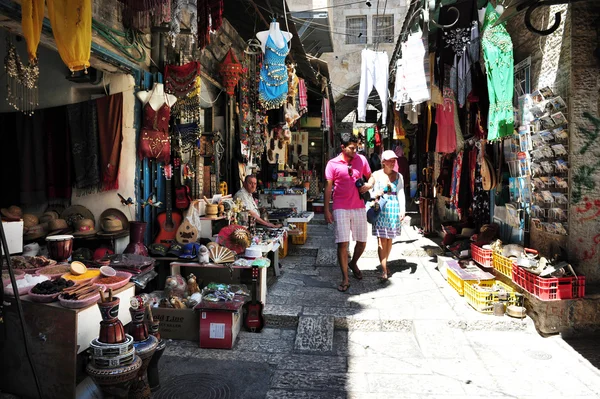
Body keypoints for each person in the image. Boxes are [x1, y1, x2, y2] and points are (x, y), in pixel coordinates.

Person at [324, 133, 372, 292]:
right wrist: (326, 209)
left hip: (359, 206)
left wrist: (369, 185)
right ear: (342, 147)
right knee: (342, 243)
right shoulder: (332, 164)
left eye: (357, 147)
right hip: (340, 207)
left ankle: (353, 263)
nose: (355, 150)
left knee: (362, 241)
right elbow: (328, 187)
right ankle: (345, 277)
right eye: (352, 148)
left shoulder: (362, 160)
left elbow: (371, 177)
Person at [367, 150, 406, 281]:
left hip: (393, 209)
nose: (392, 162)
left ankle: (385, 263)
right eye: (389, 160)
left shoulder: (399, 176)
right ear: (383, 162)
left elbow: (401, 193)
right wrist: (376, 193)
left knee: (389, 240)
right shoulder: (376, 175)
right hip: (381, 209)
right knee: (381, 240)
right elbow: (369, 191)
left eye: (394, 160)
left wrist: (402, 210)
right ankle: (384, 270)